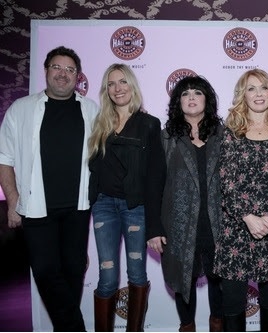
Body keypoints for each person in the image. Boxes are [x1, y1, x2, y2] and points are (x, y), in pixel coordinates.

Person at [0, 46, 98, 331]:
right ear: (46, 71)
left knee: (73, 273)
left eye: (70, 70)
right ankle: (74, 328)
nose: (62, 74)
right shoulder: (21, 108)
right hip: (35, 208)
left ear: (78, 77)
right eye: (57, 67)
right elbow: (4, 159)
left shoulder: (90, 108)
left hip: (78, 209)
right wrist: (13, 201)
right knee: (44, 272)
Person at [212, 69, 268, 332]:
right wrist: (248, 217)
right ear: (243, 95)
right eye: (251, 88)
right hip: (237, 227)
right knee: (232, 298)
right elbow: (225, 180)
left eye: (263, 87)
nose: (258, 93)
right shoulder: (230, 132)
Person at [88, 63, 165, 332]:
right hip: (103, 206)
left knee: (136, 274)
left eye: (122, 82)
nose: (117, 88)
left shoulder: (149, 124)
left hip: (136, 208)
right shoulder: (99, 122)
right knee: (107, 276)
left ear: (132, 86)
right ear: (105, 90)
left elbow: (156, 177)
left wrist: (156, 224)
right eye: (111, 84)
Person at [147, 76, 224, 332]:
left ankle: (217, 324)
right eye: (185, 93)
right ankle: (187, 326)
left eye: (197, 93)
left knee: (220, 279)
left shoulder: (225, 136)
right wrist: (154, 228)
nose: (191, 97)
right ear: (178, 102)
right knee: (183, 279)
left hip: (219, 222)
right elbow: (153, 185)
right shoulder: (166, 137)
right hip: (178, 224)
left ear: (207, 100)